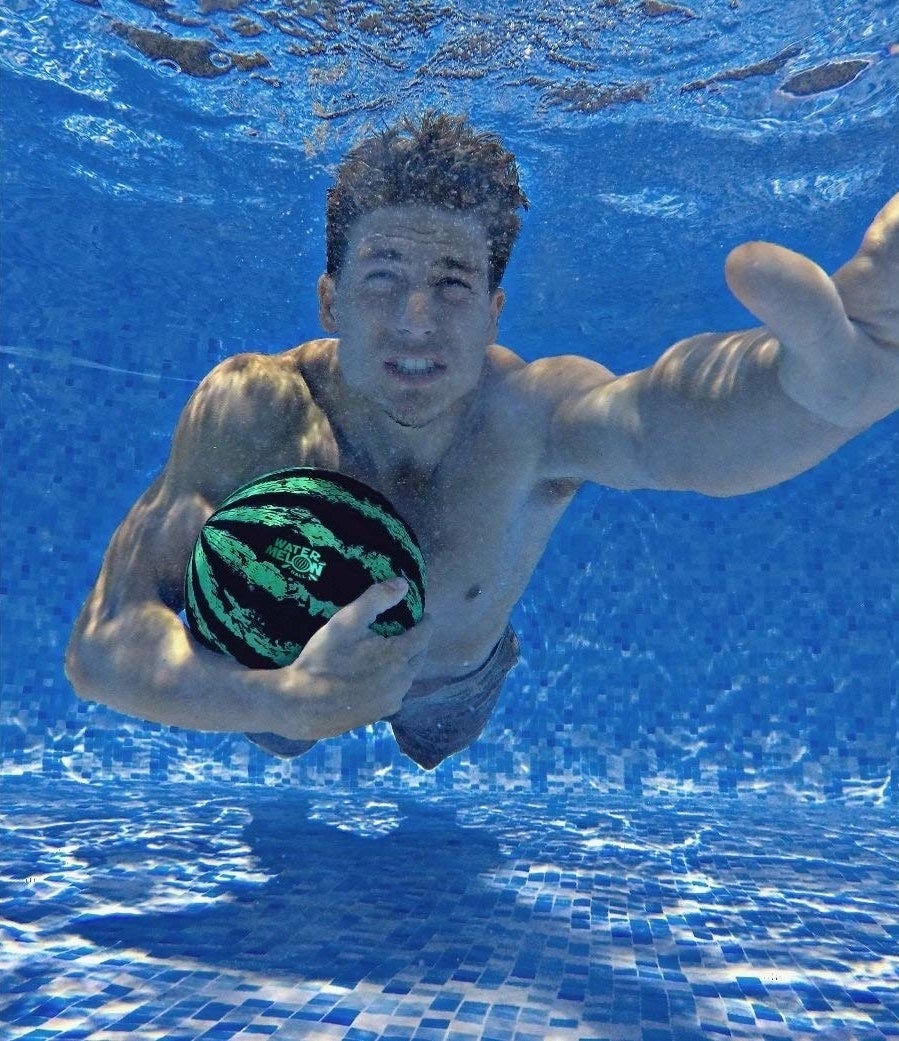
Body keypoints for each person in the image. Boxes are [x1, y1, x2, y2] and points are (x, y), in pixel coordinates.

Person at [65, 112, 899, 770]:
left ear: (497, 310)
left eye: (453, 283)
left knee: (438, 743)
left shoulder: (529, 416)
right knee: (281, 741)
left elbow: (658, 426)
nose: (414, 323)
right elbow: (102, 643)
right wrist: (279, 700)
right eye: (382, 277)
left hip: (452, 681)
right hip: (279, 671)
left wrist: (813, 397)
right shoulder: (251, 408)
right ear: (329, 300)